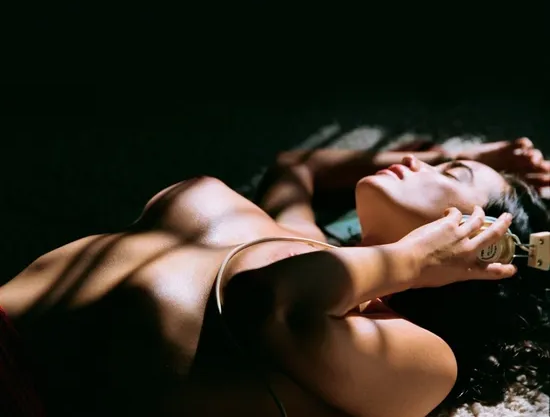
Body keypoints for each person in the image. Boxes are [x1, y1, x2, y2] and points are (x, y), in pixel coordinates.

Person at [0, 137, 548, 416]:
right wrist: (467, 152)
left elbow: (269, 305)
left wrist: (410, 262)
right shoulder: (306, 240)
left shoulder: (427, 361)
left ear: (486, 246)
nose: (420, 163)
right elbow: (297, 165)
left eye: (452, 173)